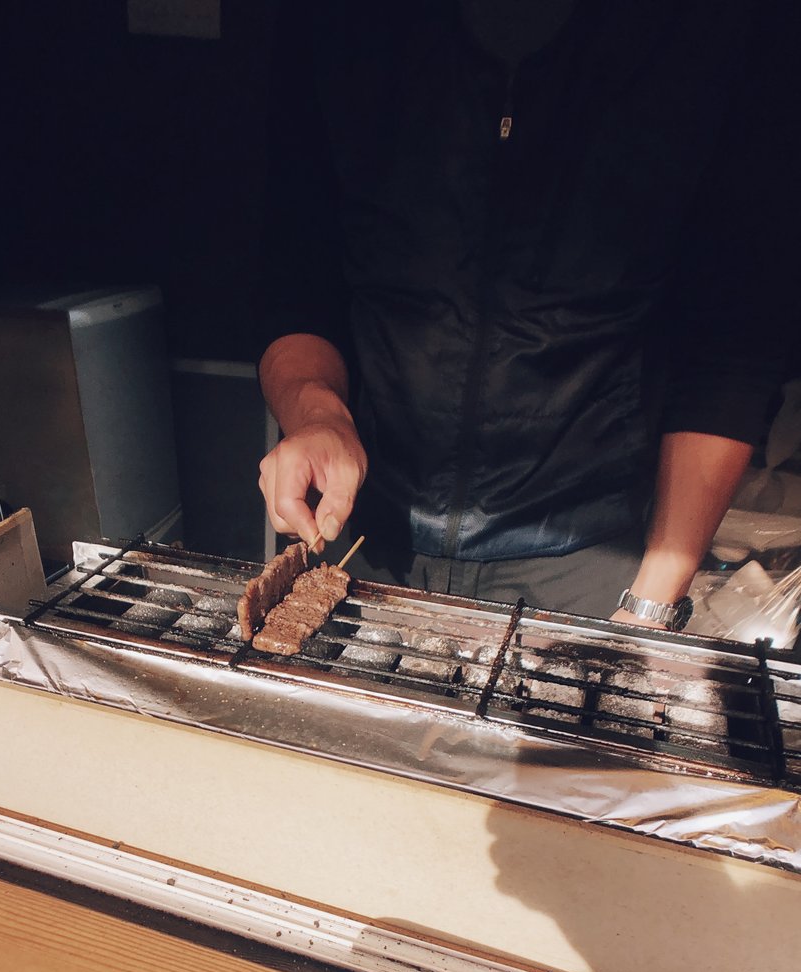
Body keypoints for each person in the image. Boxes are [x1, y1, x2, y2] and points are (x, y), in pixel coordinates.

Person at [255, 0, 801, 627]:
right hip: (360, 526)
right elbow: (297, 276)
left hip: (586, 553)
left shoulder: (720, 31)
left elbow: (732, 335)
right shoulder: (341, 24)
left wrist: (653, 600)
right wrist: (318, 414)